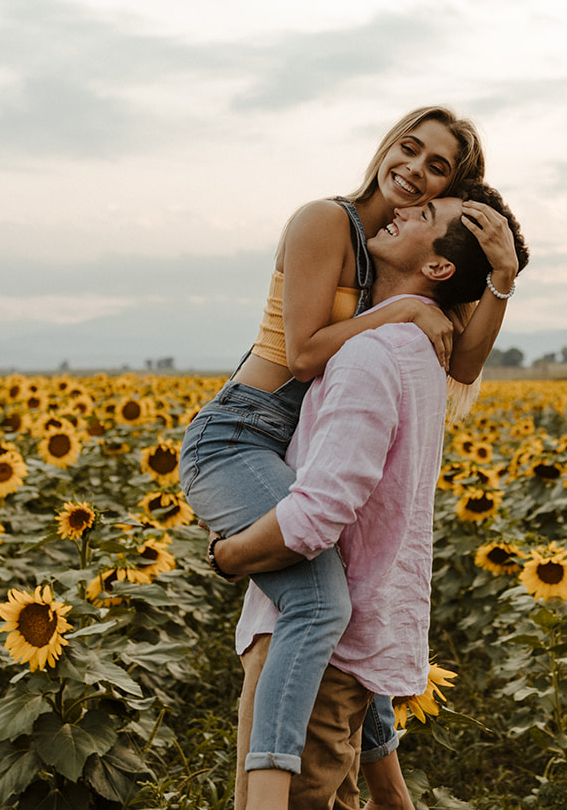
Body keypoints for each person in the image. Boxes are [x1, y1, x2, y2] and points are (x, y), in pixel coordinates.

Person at [179, 108, 521, 810]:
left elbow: (462, 359)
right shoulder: (326, 222)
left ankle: (383, 784)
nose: (414, 171)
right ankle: (279, 794)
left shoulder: (397, 252)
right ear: (386, 144)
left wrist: (502, 281)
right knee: (322, 597)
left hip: (294, 435)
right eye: (410, 148)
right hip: (241, 432)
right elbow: (305, 352)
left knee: (347, 596)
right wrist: (400, 312)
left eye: (436, 168)